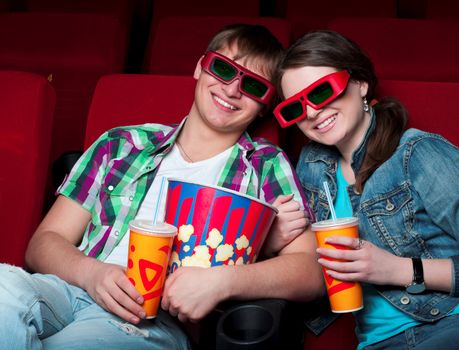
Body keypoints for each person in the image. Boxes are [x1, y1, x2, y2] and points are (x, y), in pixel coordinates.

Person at [0, 24, 324, 349]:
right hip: (66, 288)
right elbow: (43, 243)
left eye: (253, 85)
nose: (232, 89)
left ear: (265, 105)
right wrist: (92, 274)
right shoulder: (121, 144)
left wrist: (223, 282)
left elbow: (311, 271)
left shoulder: (264, 164)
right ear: (201, 67)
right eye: (224, 69)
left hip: (148, 320)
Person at [273, 30, 459, 349]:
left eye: (321, 91)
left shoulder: (420, 153)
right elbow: (305, 268)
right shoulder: (310, 169)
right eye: (295, 108)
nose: (310, 113)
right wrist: (276, 239)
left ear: (360, 83)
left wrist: (397, 269)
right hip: (379, 343)